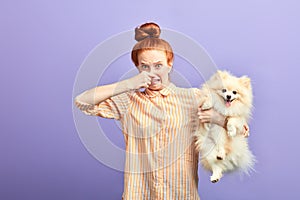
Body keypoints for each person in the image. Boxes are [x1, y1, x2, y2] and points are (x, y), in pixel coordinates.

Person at [74, 22, 248, 200]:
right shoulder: (129, 101)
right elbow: (82, 102)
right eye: (144, 67)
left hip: (181, 194)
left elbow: (241, 131)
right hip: (139, 194)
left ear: (169, 64)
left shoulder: (194, 98)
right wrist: (128, 84)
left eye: (158, 66)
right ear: (138, 68)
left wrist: (217, 118)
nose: (152, 73)